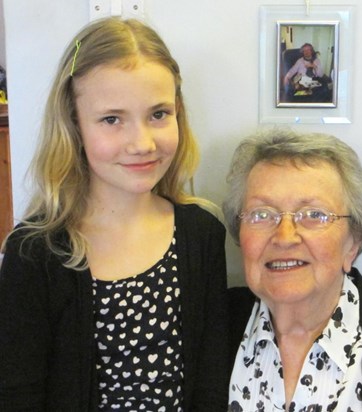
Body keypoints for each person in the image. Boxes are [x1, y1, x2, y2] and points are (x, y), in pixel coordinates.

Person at [0, 17, 229, 411]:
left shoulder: (201, 234)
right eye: (111, 119)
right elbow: (17, 393)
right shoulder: (35, 252)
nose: (141, 143)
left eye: (158, 114)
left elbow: (211, 383)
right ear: (75, 125)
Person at [223, 129, 362, 411]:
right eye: (262, 214)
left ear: (353, 243)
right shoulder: (206, 327)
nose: (285, 237)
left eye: (314, 215)